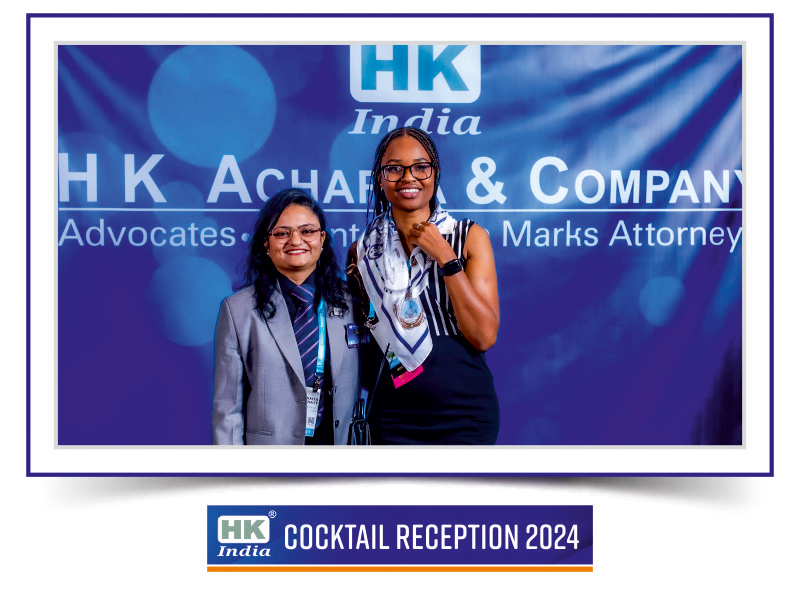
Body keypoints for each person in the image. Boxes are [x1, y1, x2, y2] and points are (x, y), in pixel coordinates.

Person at [349, 127, 500, 444]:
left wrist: (446, 257)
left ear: (436, 174)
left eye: (420, 167)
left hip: (464, 415)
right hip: (391, 417)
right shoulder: (361, 252)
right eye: (394, 169)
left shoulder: (468, 237)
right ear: (379, 179)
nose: (408, 178)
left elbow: (483, 336)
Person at [212, 188, 360, 445]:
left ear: (322, 239)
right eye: (282, 233)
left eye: (307, 231)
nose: (296, 240)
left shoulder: (353, 301)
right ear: (266, 243)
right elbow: (228, 408)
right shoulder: (238, 310)